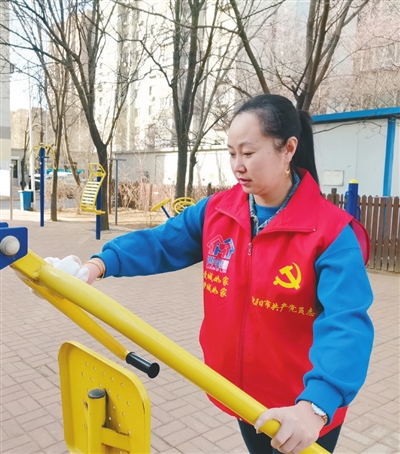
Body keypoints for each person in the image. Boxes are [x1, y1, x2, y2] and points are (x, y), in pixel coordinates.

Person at [82, 94, 374, 454]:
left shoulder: (331, 233)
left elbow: (346, 324)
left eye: (248, 153)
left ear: (288, 149)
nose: (238, 165)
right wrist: (98, 264)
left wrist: (316, 406)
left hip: (301, 409)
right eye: (231, 153)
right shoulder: (218, 211)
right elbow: (161, 243)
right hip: (241, 396)